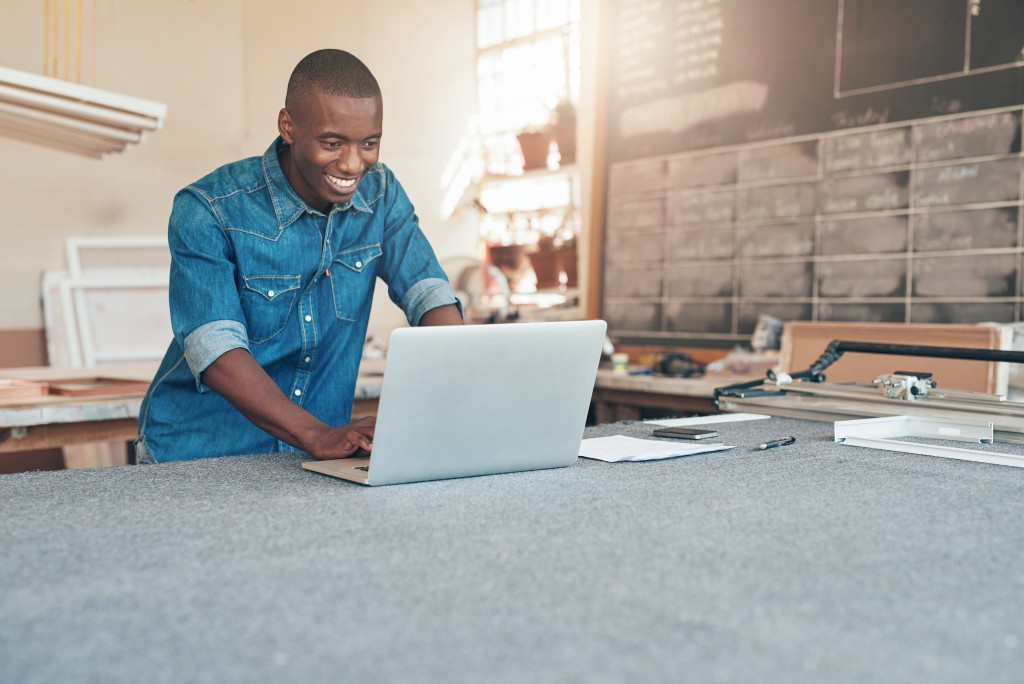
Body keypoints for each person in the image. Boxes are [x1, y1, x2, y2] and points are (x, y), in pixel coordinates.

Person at [136, 49, 463, 464]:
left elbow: (429, 294)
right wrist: (316, 434)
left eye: (369, 143)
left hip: (317, 459)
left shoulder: (380, 194)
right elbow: (214, 349)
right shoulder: (209, 208)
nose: (351, 164)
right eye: (332, 142)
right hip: (200, 453)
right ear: (287, 126)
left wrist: (454, 386)